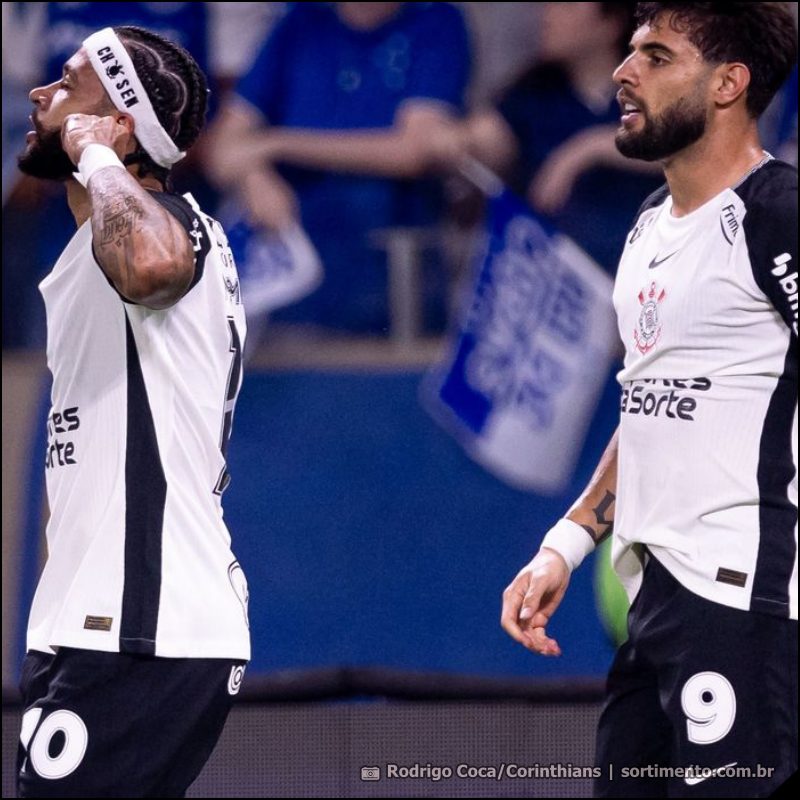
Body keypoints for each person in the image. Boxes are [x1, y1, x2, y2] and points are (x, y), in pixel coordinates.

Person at [500, 3, 797, 797]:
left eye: (656, 57)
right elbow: (650, 404)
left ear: (730, 84)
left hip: (746, 605)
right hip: (651, 608)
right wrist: (565, 543)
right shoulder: (646, 229)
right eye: (629, 52)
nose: (622, 73)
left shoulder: (780, 217)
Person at [15, 25, 249, 797]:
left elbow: (152, 266)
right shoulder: (89, 255)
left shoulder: (172, 227)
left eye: (68, 85)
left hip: (139, 626)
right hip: (95, 624)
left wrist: (94, 154)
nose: (40, 95)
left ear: (120, 125)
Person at [206, 1, 471, 334]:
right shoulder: (302, 23)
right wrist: (252, 175)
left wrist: (276, 145)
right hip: (292, 291)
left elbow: (414, 150)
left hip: (390, 284)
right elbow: (222, 151)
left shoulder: (435, 20)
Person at [464, 2, 664, 274]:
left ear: (611, 23)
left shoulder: (654, 87)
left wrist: (586, 150)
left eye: (565, 7)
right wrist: (453, 141)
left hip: (646, 277)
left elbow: (689, 147)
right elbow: (483, 138)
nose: (547, 16)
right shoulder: (532, 93)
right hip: (555, 283)